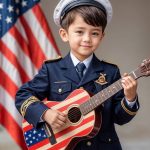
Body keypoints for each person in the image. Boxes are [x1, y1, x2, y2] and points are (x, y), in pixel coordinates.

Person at [15, 0, 139, 149]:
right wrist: (45, 113)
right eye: (80, 32)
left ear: (101, 37)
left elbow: (119, 118)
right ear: (64, 34)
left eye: (94, 33)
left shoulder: (110, 72)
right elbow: (23, 95)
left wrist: (130, 98)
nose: (87, 38)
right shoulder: (51, 69)